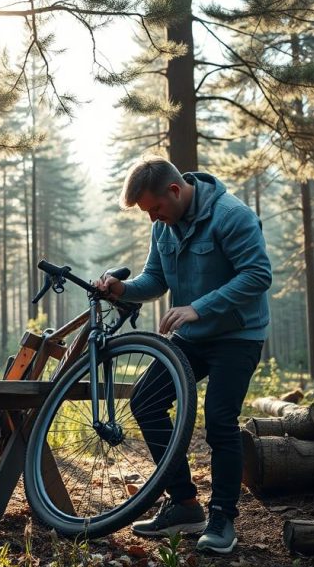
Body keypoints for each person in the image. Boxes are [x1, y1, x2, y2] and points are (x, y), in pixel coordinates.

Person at [94, 157, 271, 554]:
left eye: (154, 209)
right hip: (193, 337)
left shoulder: (231, 215)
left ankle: (222, 517)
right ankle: (186, 505)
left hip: (238, 335)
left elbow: (258, 274)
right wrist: (121, 290)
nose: (152, 219)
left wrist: (199, 307)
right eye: (147, 213)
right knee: (145, 400)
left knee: (220, 420)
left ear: (174, 191)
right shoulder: (164, 227)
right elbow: (154, 280)